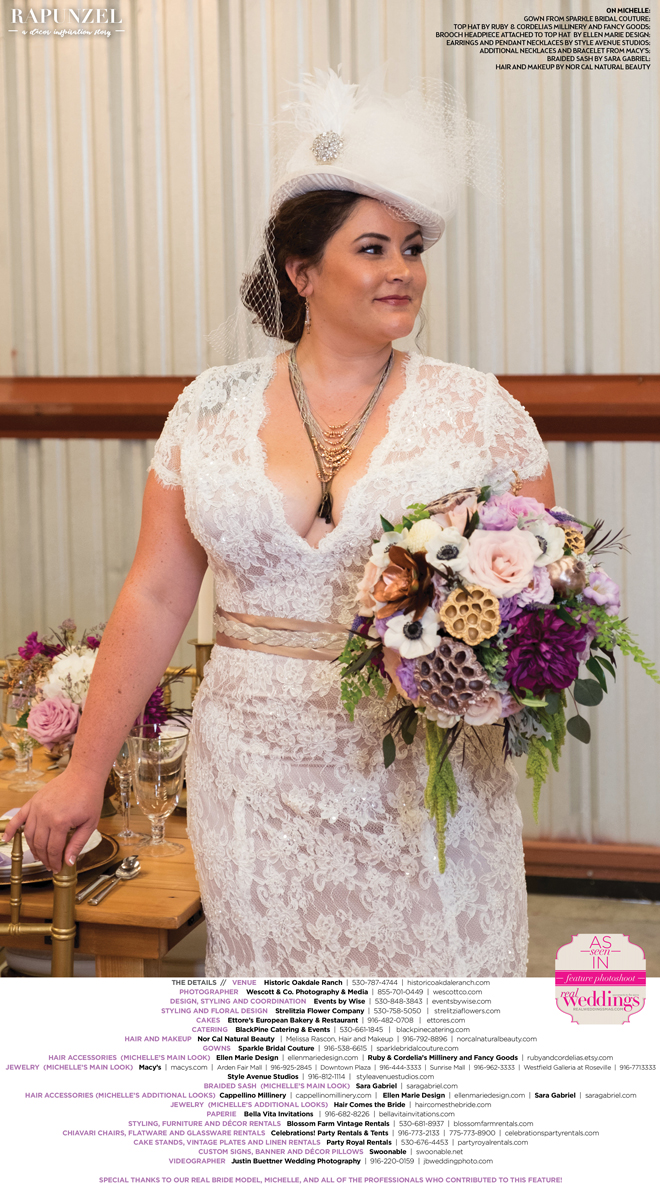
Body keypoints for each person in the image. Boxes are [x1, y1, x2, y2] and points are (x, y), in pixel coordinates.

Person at [6, 72, 553, 976]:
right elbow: (155, 594)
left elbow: (543, 593)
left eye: (413, 249)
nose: (403, 270)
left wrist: (480, 663)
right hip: (254, 778)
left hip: (422, 772)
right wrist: (84, 771)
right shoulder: (208, 410)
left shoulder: (479, 414)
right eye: (372, 248)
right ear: (301, 272)